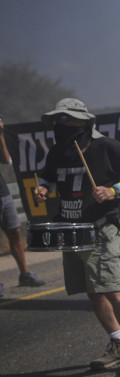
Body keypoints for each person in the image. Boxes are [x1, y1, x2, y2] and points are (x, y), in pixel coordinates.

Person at [32, 98, 120, 374]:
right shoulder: (58, 151)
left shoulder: (106, 146)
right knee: (92, 289)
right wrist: (44, 188)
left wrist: (114, 190)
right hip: (70, 228)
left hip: (99, 226)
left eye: (66, 119)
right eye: (57, 121)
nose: (61, 125)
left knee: (113, 288)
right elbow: (48, 177)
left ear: (84, 122)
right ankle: (116, 342)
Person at [0, 116, 46, 297]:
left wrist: (1, 134)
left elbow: (6, 160)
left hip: (3, 193)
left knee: (15, 233)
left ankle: (25, 273)